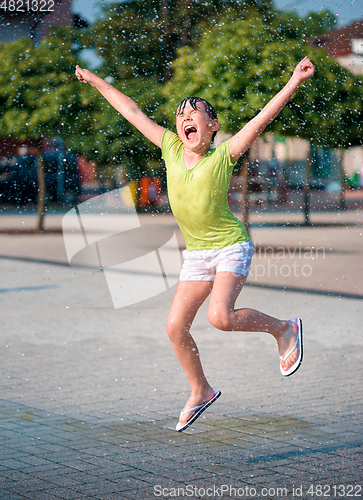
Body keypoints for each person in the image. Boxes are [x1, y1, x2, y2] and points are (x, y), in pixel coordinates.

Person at [75, 56, 315, 432]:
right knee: (174, 327)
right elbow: (132, 110)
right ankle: (201, 389)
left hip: (230, 246)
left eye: (196, 112)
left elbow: (262, 119)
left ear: (213, 126)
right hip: (197, 254)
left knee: (220, 317)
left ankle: (285, 329)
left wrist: (293, 82)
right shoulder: (170, 147)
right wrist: (96, 81)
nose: (186, 117)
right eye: (181, 114)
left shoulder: (224, 155)